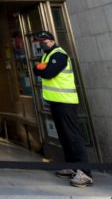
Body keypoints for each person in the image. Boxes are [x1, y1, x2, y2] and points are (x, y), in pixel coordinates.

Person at [31, 30, 93, 188]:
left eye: (43, 41)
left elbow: (48, 73)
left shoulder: (59, 54)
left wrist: (40, 68)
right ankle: (73, 166)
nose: (41, 43)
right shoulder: (48, 55)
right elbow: (37, 69)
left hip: (66, 102)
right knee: (64, 136)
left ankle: (84, 172)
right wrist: (40, 68)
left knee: (73, 135)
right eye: (39, 41)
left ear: (51, 41)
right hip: (56, 101)